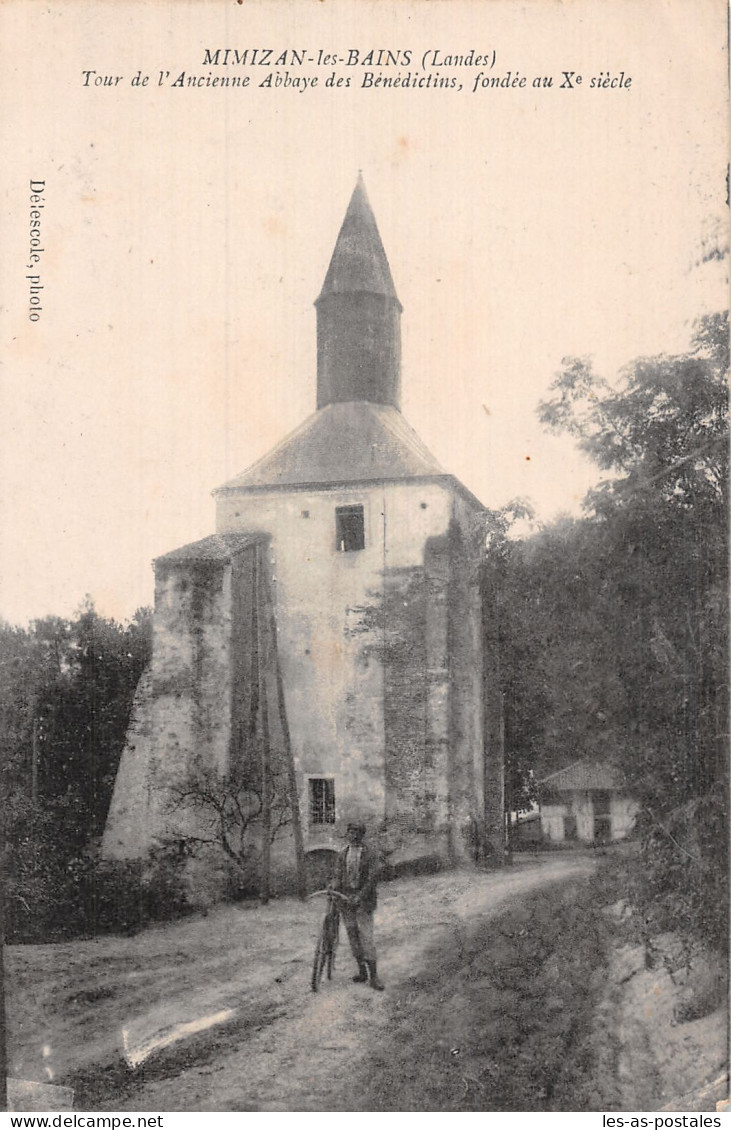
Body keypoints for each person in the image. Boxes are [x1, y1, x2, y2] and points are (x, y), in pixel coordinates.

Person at [331, 821, 384, 991]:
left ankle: (374, 977)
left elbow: (372, 879)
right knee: (353, 935)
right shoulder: (342, 854)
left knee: (366, 938)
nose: (353, 836)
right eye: (350, 832)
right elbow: (338, 875)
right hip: (346, 901)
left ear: (362, 835)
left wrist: (360, 897)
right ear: (347, 834)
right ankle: (362, 972)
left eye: (357, 833)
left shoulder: (370, 855)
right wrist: (334, 885)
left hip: (363, 902)